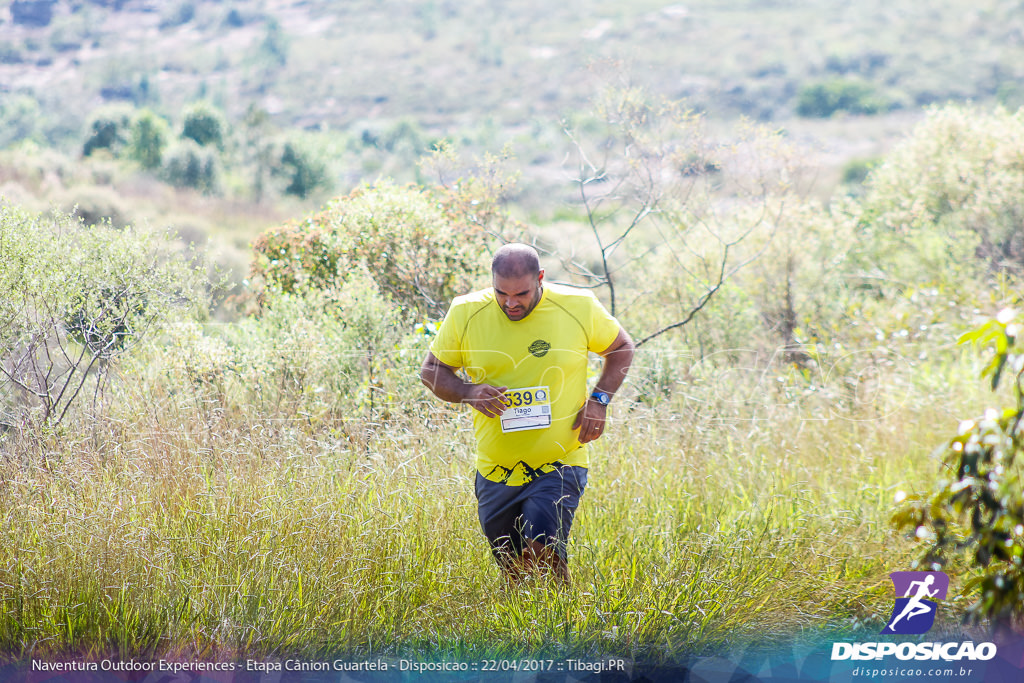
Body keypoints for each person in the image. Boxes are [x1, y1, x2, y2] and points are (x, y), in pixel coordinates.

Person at [420, 243, 635, 582]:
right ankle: (529, 631)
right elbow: (431, 371)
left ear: (540, 279)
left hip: (559, 461)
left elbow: (621, 348)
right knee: (514, 570)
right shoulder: (466, 312)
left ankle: (565, 632)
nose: (510, 303)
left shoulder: (577, 306)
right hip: (495, 469)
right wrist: (468, 392)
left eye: (521, 293)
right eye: (501, 293)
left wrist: (599, 400)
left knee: (543, 552)